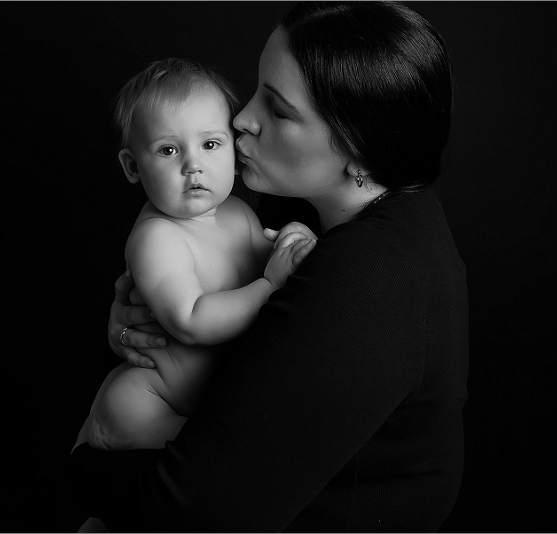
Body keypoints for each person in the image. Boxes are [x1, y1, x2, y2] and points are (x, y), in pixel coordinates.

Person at [68, 2, 469, 531]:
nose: (240, 119)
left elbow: (195, 511)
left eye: (278, 111)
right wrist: (147, 332)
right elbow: (259, 367)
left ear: (359, 151)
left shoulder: (371, 277)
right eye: (257, 90)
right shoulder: (334, 217)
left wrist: (83, 470)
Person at [75, 58, 316, 452]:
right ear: (133, 166)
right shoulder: (157, 237)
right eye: (168, 150)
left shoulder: (237, 212)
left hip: (205, 402)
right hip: (148, 402)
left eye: (209, 144)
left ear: (234, 152)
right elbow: (190, 321)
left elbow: (272, 259)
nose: (193, 165)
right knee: (168, 488)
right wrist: (271, 283)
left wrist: (294, 241)